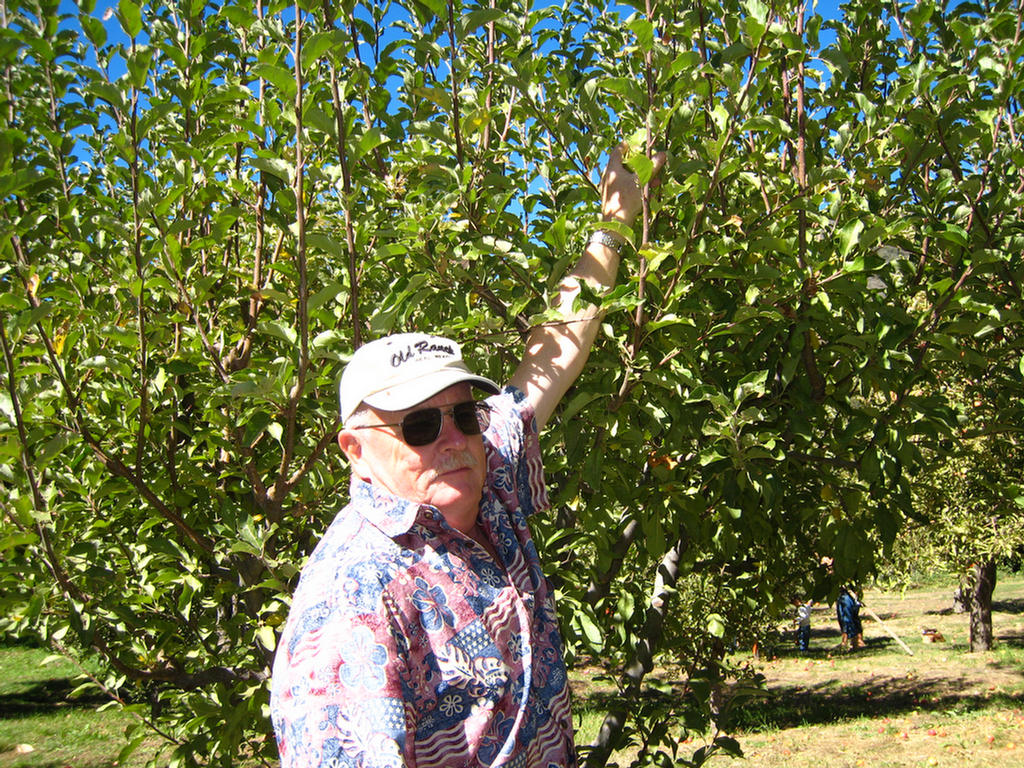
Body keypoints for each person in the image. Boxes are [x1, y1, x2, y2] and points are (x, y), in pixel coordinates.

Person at [269, 145, 666, 768]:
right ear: (355, 449)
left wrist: (617, 218)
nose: (452, 438)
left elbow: (548, 359)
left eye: (462, 414)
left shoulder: (484, 477)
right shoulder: (354, 607)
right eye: (420, 425)